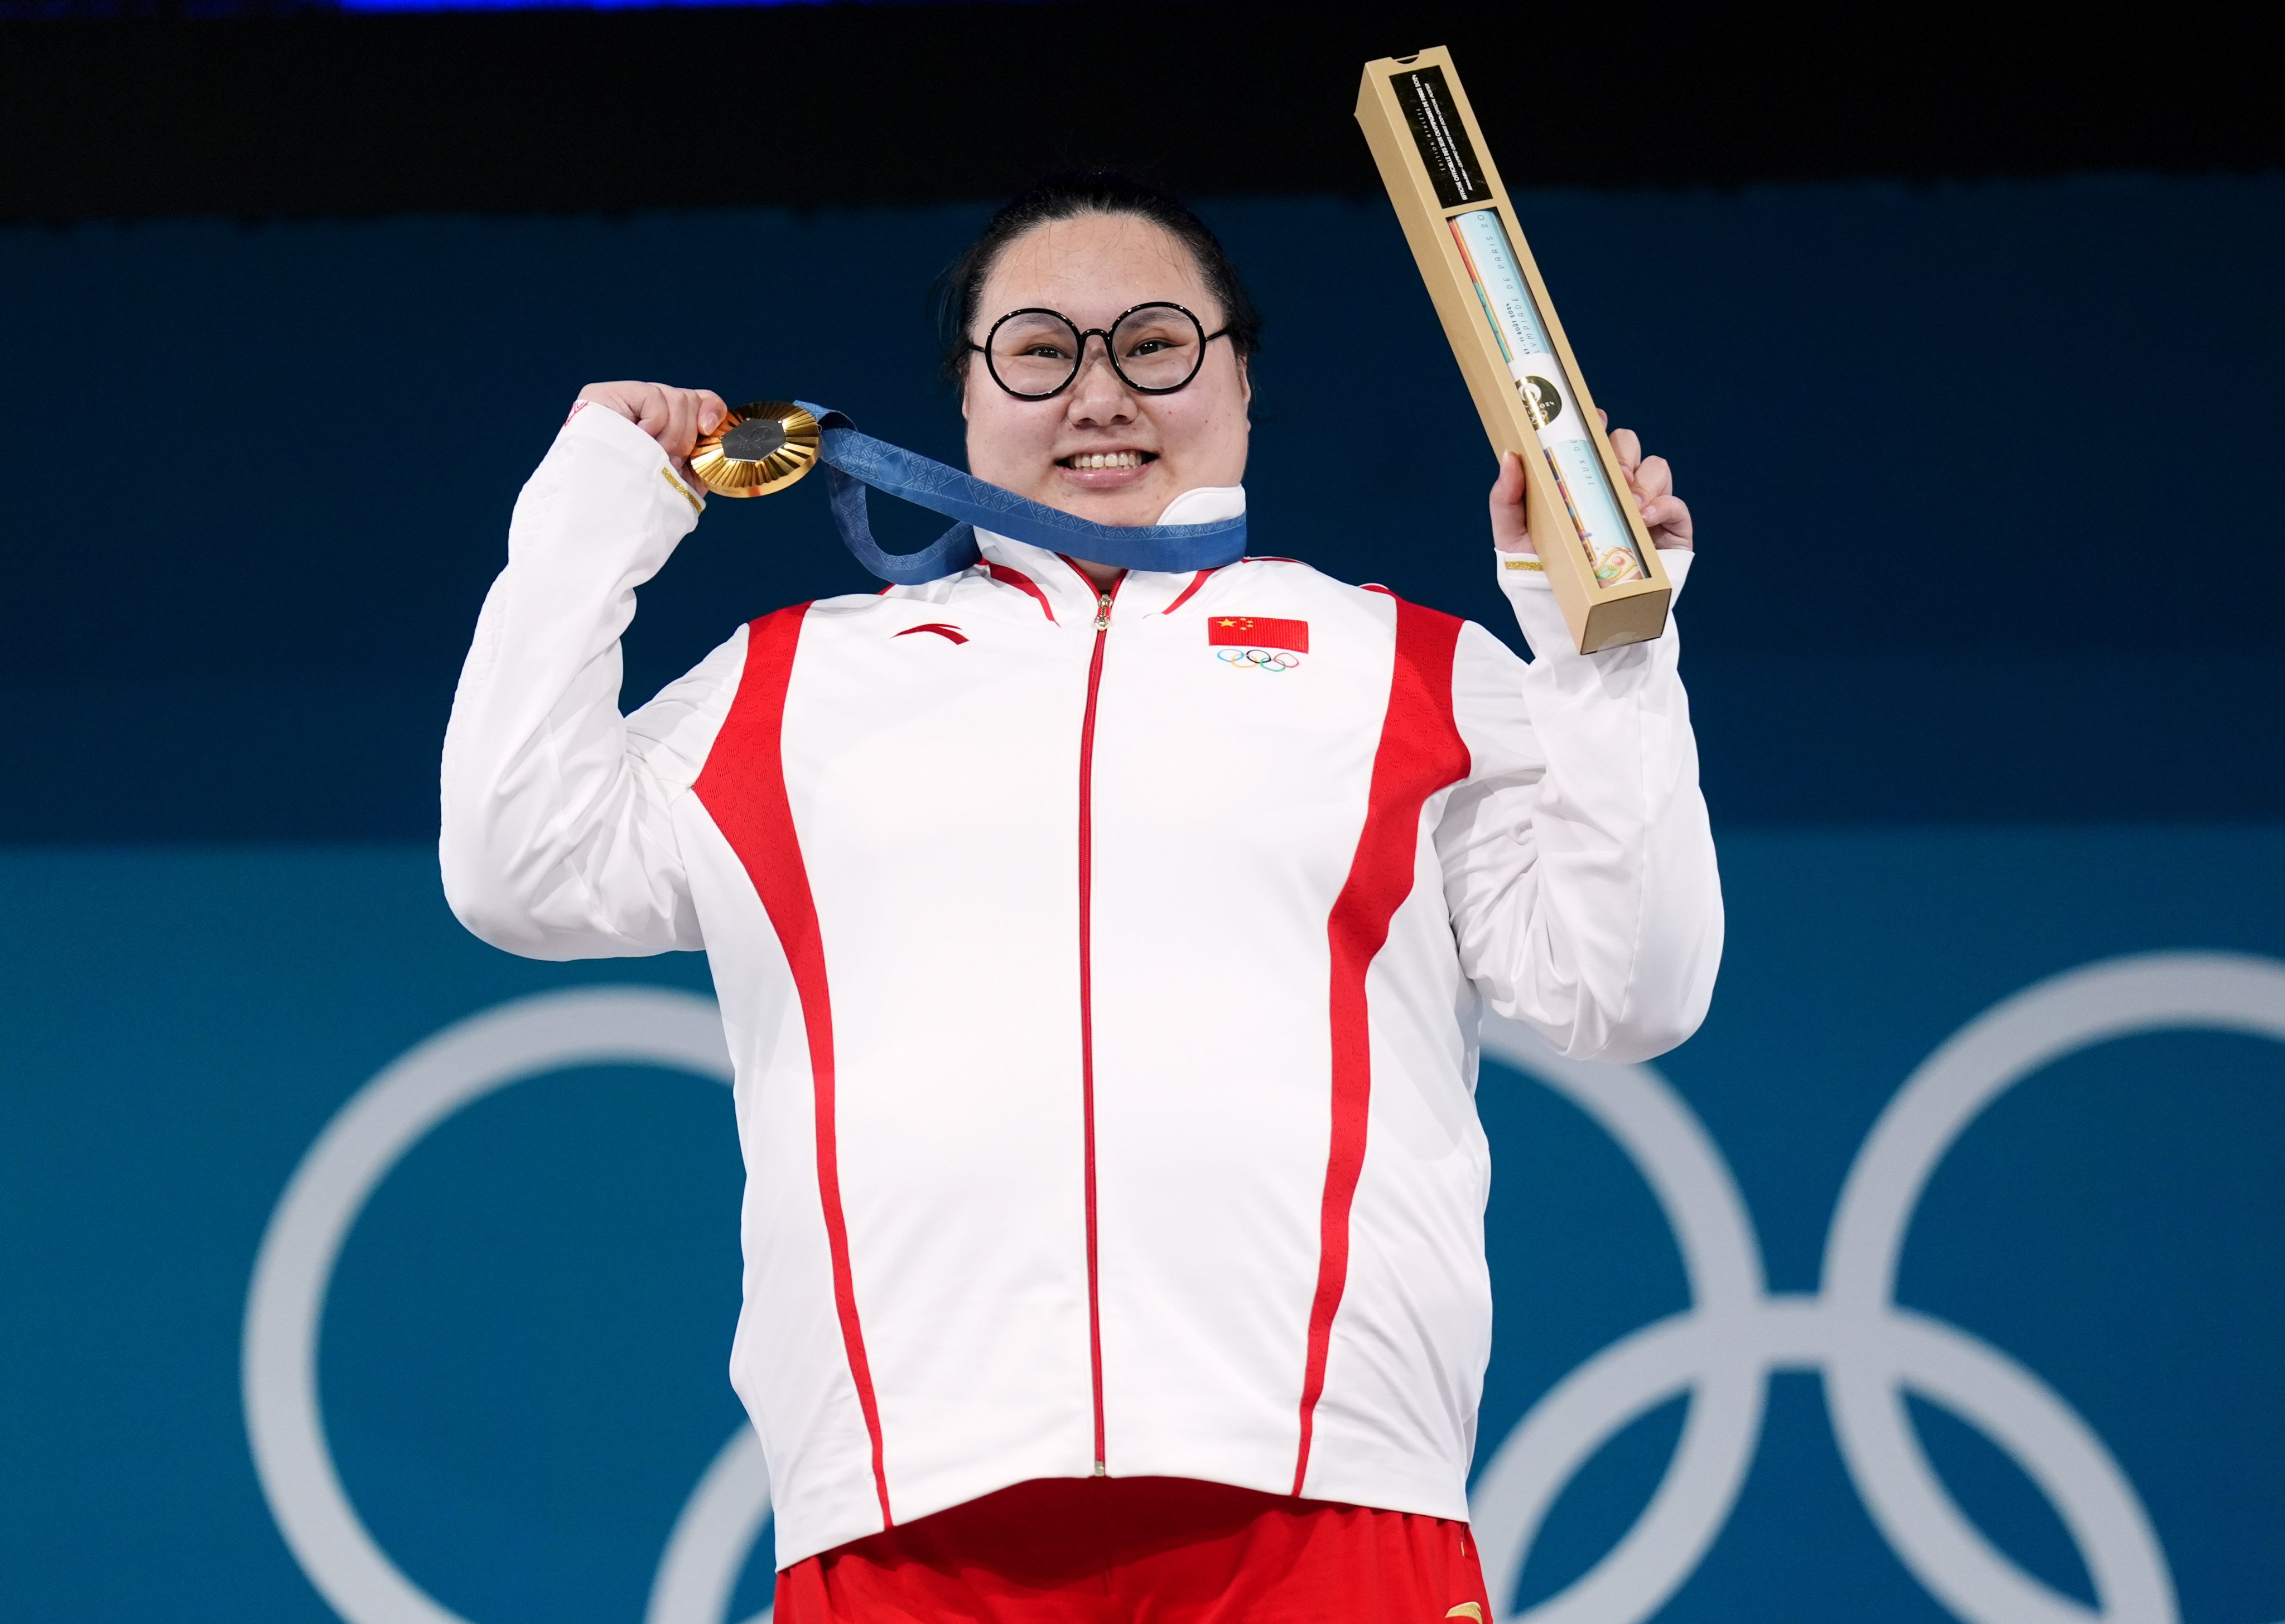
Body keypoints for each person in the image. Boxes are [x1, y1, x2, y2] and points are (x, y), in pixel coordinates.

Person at [441, 170, 1719, 1622]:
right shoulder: (797, 683)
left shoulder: (1409, 671)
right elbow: (512, 860)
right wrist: (601, 505)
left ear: (1240, 378)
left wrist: (1605, 645)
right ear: (966, 399)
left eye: (1155, 344)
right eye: (1041, 352)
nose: (1100, 395)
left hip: (1333, 1506)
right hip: (909, 1528)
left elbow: (1634, 992)